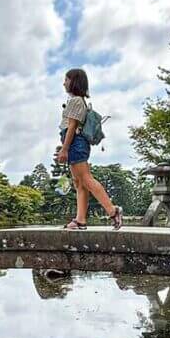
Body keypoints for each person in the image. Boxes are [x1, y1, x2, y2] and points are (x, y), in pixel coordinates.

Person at [55, 68, 123, 230]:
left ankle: (113, 211)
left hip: (75, 142)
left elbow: (72, 126)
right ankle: (81, 220)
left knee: (85, 179)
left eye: (66, 79)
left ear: (74, 81)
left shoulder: (76, 101)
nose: (64, 82)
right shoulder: (77, 101)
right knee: (79, 183)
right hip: (74, 143)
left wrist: (64, 149)